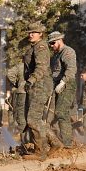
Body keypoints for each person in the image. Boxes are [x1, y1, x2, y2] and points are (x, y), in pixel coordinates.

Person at [22, 22, 53, 161]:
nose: (31, 34)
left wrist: (31, 80)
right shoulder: (34, 47)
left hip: (40, 85)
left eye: (34, 32)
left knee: (32, 119)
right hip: (36, 86)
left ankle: (40, 152)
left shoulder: (40, 47)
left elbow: (41, 67)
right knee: (36, 119)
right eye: (29, 32)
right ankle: (56, 143)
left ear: (41, 34)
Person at [48, 31, 77, 148]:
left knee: (61, 112)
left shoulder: (68, 52)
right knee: (52, 114)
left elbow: (71, 69)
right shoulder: (56, 55)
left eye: (53, 43)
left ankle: (67, 143)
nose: (51, 46)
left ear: (60, 40)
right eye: (50, 44)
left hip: (67, 85)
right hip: (55, 85)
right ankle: (56, 140)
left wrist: (63, 82)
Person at [6, 62, 26, 136]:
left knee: (17, 114)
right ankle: (16, 135)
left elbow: (10, 73)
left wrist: (16, 83)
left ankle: (14, 134)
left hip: (21, 91)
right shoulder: (37, 65)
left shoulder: (20, 65)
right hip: (30, 93)